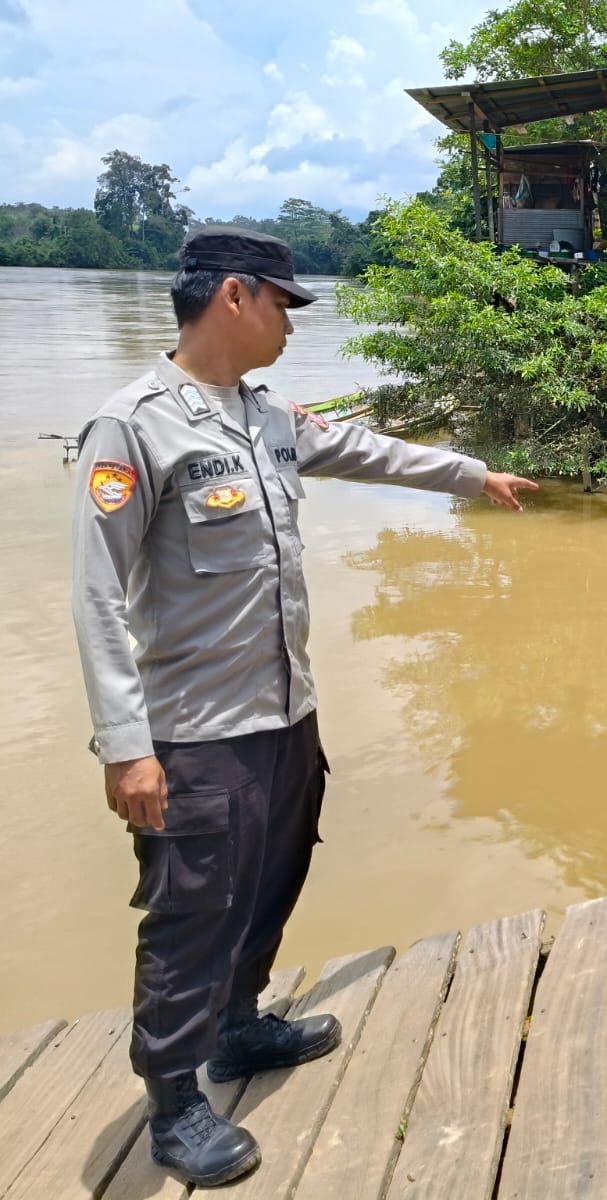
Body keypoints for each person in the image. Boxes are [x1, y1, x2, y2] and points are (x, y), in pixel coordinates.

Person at [70, 227, 538, 1188]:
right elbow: (94, 595)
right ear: (234, 297)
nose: (291, 322)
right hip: (194, 735)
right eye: (285, 304)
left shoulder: (264, 414)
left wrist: (469, 473)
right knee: (189, 911)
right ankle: (173, 1101)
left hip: (286, 716)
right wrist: (127, 748)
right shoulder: (135, 426)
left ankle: (237, 1028)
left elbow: (364, 449)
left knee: (274, 878)